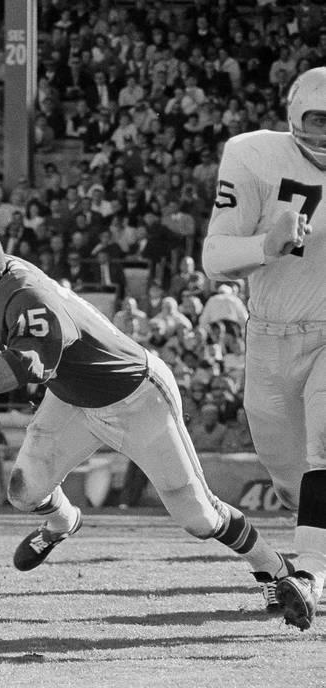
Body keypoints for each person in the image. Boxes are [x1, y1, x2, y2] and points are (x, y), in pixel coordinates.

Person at [0, 225, 288, 612]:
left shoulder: (26, 295)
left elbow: (26, 367)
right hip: (73, 397)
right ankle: (62, 521)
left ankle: (274, 570)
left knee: (199, 519)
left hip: (133, 396)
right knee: (24, 490)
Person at [202, 66, 326, 630]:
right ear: (295, 115)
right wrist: (266, 244)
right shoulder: (252, 155)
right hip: (271, 332)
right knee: (290, 473)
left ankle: (310, 577)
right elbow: (215, 260)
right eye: (320, 118)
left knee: (324, 453)